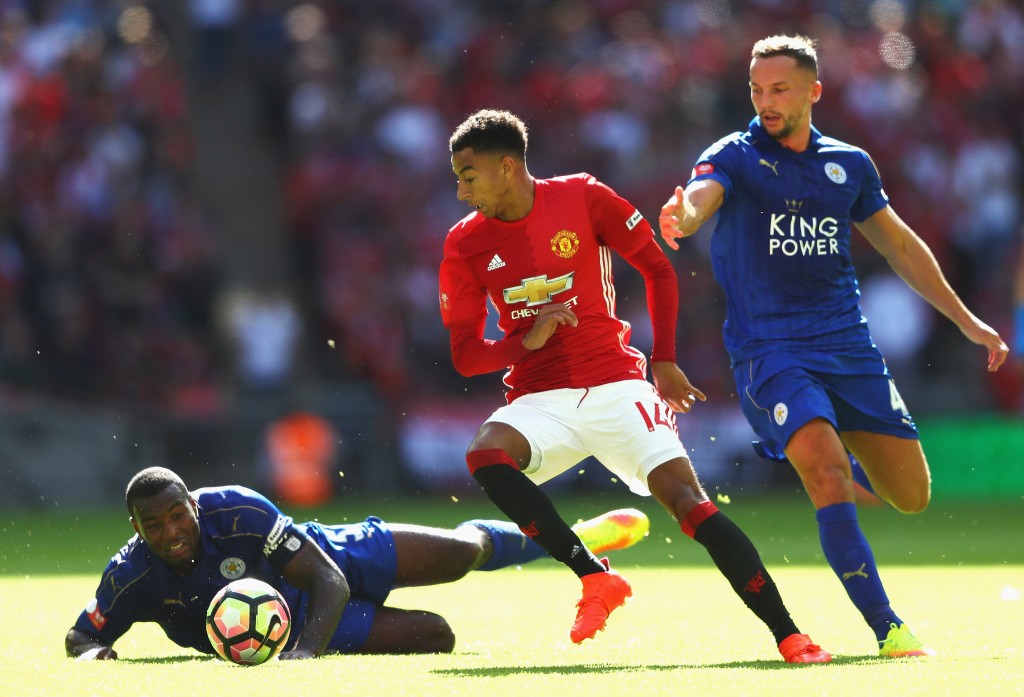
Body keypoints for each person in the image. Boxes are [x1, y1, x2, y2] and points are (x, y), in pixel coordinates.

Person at [659, 35, 1010, 658]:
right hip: (770, 348)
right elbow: (700, 197)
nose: (766, 102)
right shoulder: (735, 155)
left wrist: (965, 319)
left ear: (813, 91)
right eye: (757, 90)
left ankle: (830, 436)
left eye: (780, 90)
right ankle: (888, 628)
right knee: (824, 471)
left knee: (911, 496)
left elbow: (900, 246)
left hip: (847, 346)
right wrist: (682, 215)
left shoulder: (849, 165)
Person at [438, 108, 830, 663]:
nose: (459, 191)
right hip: (538, 397)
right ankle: (593, 576)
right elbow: (464, 356)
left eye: (467, 175)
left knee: (689, 505)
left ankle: (791, 636)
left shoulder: (582, 196)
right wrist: (522, 343)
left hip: (617, 382)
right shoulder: (464, 244)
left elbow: (658, 270)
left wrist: (664, 360)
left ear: (507, 167)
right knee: (485, 456)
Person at [65, 466, 648, 660]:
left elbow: (327, 577)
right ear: (136, 530)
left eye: (177, 515)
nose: (171, 532)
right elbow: (80, 636)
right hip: (291, 616)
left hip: (329, 558)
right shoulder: (130, 575)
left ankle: (573, 536)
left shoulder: (239, 510)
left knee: (462, 554)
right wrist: (98, 654)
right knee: (437, 638)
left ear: (192, 504)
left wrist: (303, 655)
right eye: (154, 525)